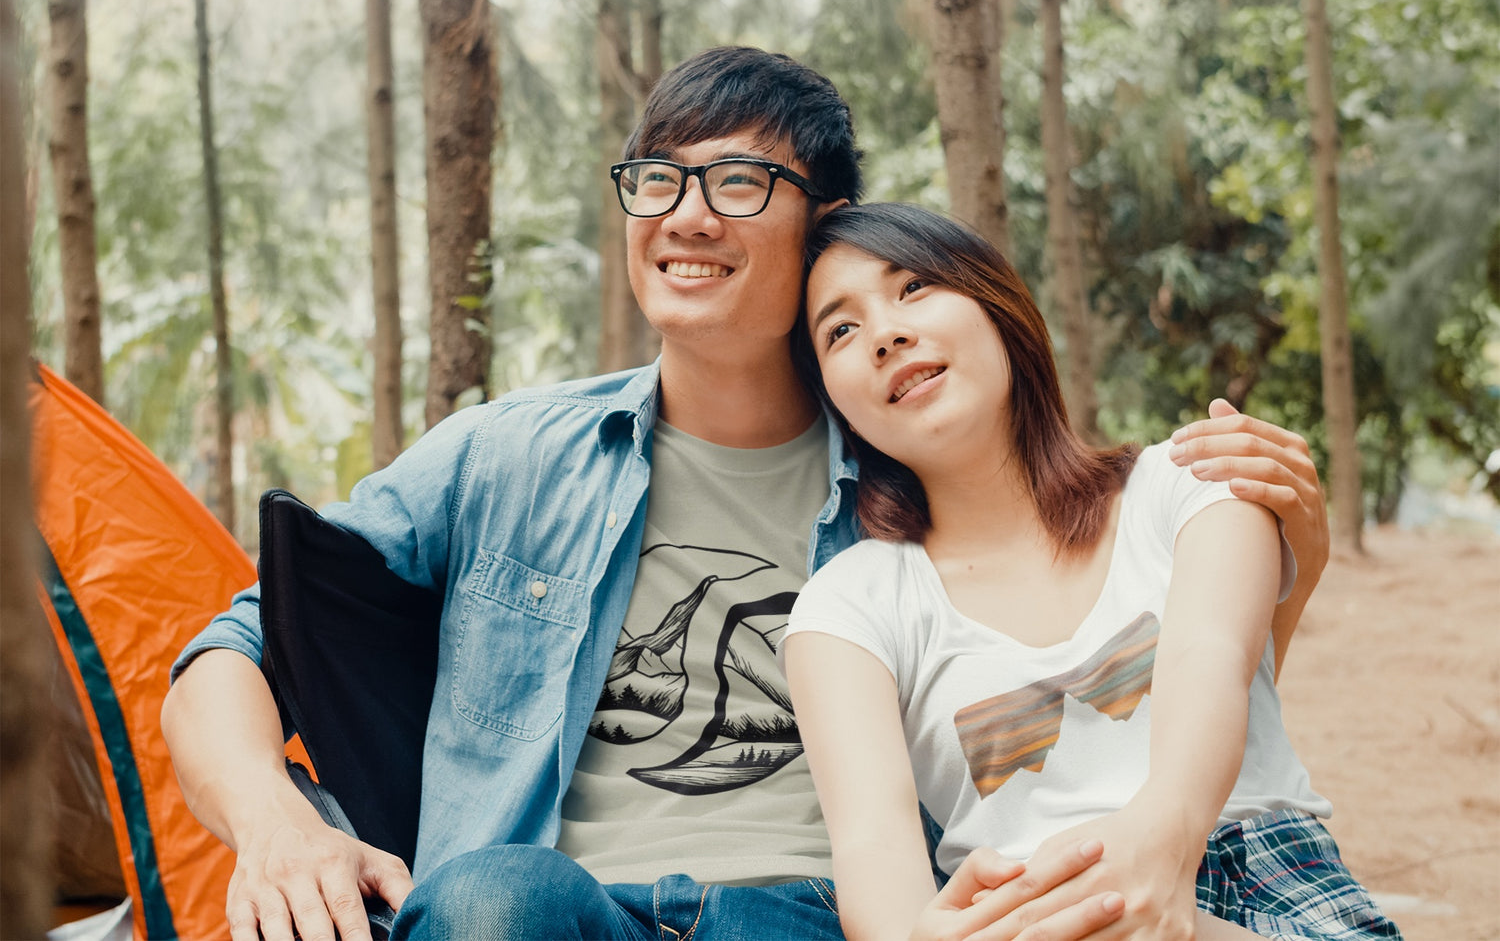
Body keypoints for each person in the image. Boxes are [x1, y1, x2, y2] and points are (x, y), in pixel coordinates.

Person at [161, 48, 1333, 941]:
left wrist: (1292, 565)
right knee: (493, 900)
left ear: (825, 225)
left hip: (828, 911)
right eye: (657, 178)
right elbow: (235, 647)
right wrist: (273, 824)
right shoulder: (507, 456)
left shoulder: (912, 463)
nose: (684, 215)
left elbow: (1099, 680)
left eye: (735, 180)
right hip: (557, 908)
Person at [783, 202, 1402, 940]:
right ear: (836, 403)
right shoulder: (845, 609)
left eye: (913, 287)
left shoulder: (1192, 480)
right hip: (1030, 915)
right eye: (840, 330)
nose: (885, 333)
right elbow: (874, 850)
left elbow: (1213, 655)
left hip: (1260, 887)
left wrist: (1158, 845)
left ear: (998, 308)